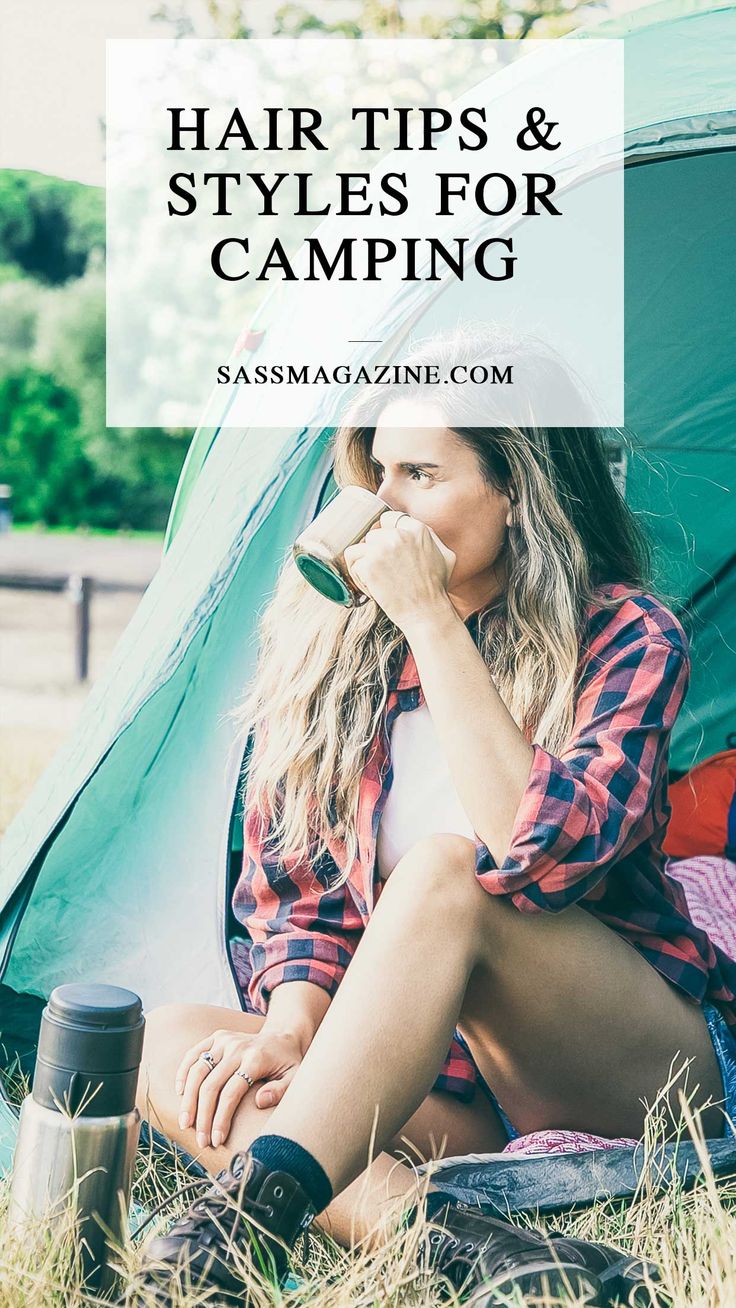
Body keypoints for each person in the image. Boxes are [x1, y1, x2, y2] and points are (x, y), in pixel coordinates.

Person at [131, 325, 736, 1304]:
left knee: (452, 871)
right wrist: (289, 1032)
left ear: (516, 489)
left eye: (419, 473)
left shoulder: (625, 635)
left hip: (624, 1067)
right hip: (449, 1087)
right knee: (164, 1043)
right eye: (374, 473)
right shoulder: (332, 652)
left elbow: (541, 859)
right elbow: (303, 903)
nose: (382, 506)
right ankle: (464, 1249)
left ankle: (244, 1225)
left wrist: (430, 618)